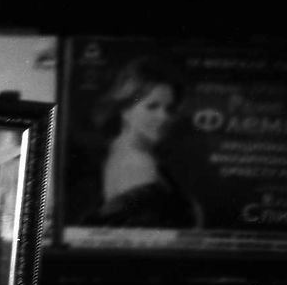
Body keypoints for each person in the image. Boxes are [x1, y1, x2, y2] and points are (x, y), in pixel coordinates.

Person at [84, 56, 202, 228]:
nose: (164, 117)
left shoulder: (119, 149)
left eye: (169, 109)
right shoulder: (138, 164)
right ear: (125, 109)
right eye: (152, 106)